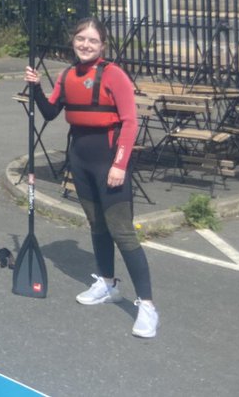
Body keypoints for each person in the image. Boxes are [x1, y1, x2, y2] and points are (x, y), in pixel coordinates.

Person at [24, 18, 159, 339]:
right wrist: (36, 87)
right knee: (97, 225)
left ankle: (148, 306)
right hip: (81, 160)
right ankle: (108, 284)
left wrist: (120, 164)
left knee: (122, 232)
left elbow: (130, 122)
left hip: (109, 162)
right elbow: (50, 112)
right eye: (81, 39)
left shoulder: (114, 75)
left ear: (103, 46)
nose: (85, 45)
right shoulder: (67, 75)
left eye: (92, 41)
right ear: (73, 41)